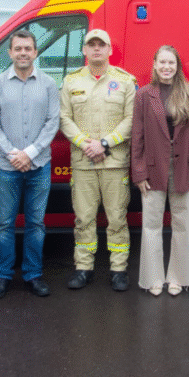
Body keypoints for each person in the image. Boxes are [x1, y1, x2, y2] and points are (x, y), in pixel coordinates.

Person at [0, 29, 60, 300]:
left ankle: (33, 274)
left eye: (28, 48)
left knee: (36, 224)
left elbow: (53, 121)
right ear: (10, 53)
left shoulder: (49, 84)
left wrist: (30, 153)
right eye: (18, 49)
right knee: (4, 224)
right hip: (7, 166)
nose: (23, 53)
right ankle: (2, 275)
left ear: (36, 52)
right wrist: (13, 153)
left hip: (39, 165)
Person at [60, 29, 137, 292]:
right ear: (84, 50)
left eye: (101, 45)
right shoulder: (71, 81)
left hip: (114, 162)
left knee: (117, 218)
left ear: (109, 50)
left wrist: (104, 143)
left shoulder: (125, 81)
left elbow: (131, 119)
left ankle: (118, 269)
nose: (96, 49)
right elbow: (64, 118)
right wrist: (86, 144)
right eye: (91, 45)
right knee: (83, 218)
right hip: (84, 162)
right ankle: (84, 268)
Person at [131, 45, 189, 296]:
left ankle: (179, 278)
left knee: (182, 222)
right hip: (152, 168)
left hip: (183, 166)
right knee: (151, 224)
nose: (166, 67)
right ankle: (153, 278)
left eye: (171, 63)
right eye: (162, 62)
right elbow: (137, 137)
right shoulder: (144, 95)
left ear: (177, 66)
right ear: (154, 65)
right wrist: (139, 172)